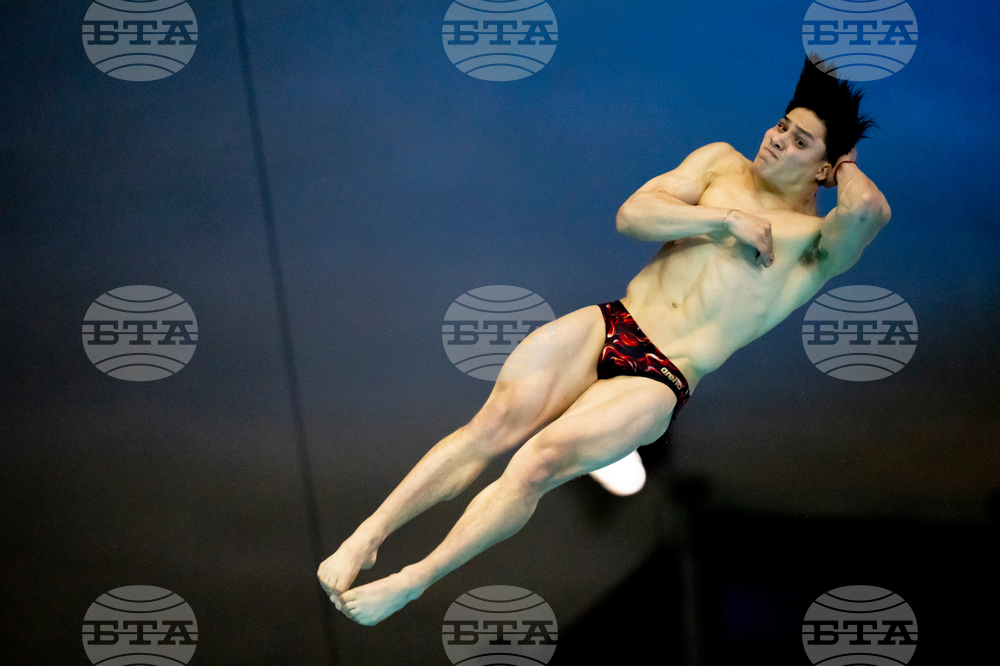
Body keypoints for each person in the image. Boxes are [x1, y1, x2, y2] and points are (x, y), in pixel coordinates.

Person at [317, 57, 891, 625]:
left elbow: (869, 208)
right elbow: (632, 214)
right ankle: (369, 535)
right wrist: (722, 221)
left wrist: (845, 161)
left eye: (799, 142)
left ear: (824, 169)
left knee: (535, 465)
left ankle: (413, 580)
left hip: (661, 376)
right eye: (781, 126)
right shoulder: (721, 164)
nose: (776, 141)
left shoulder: (817, 245)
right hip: (614, 320)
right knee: (488, 428)